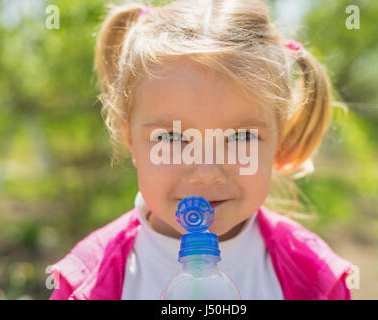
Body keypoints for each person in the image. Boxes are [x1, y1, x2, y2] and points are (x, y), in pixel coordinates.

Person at [49, 0, 353, 300]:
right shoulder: (86, 283)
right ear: (128, 136)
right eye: (172, 137)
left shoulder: (315, 278)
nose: (206, 172)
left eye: (241, 137)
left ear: (280, 141)